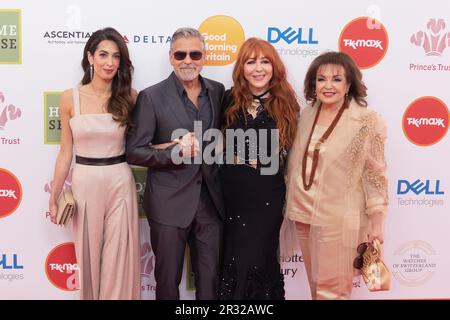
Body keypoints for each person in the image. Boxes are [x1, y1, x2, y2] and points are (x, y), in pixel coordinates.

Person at [125, 27, 225, 300]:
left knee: (211, 281)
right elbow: (134, 151)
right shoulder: (151, 97)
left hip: (210, 204)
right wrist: (173, 153)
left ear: (204, 57)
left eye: (195, 54)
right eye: (180, 54)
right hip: (169, 204)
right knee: (167, 283)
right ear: (171, 57)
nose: (188, 61)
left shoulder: (217, 92)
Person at [284, 51, 388, 299]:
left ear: (349, 84)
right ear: (313, 84)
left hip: (337, 218)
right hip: (301, 214)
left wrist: (377, 222)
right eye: (321, 79)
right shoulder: (307, 114)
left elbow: (375, 174)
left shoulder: (367, 122)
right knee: (315, 285)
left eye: (336, 79)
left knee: (333, 290)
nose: (328, 86)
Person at [48, 27, 140, 299]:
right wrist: (53, 197)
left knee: (119, 257)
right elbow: (65, 152)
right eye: (102, 55)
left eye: (115, 56)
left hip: (120, 180)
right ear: (90, 57)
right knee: (86, 257)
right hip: (85, 180)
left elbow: (142, 143)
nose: (109, 62)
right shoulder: (70, 98)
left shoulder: (130, 97)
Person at [218, 37, 300, 300]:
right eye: (250, 62)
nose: (258, 68)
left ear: (274, 66)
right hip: (231, 198)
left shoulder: (286, 102)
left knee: (259, 261)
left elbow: (294, 154)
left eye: (265, 61)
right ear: (241, 67)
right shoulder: (228, 100)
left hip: (267, 198)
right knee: (233, 260)